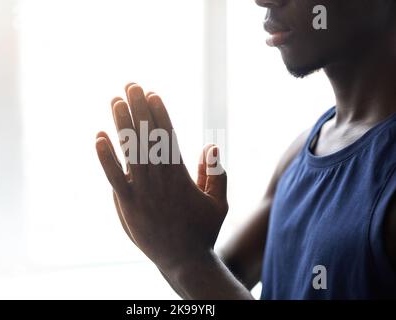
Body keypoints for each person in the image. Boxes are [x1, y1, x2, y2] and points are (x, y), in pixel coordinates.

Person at [95, 0, 396, 299]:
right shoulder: (300, 154)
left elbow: (201, 270)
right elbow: (219, 278)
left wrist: (186, 260)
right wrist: (170, 236)